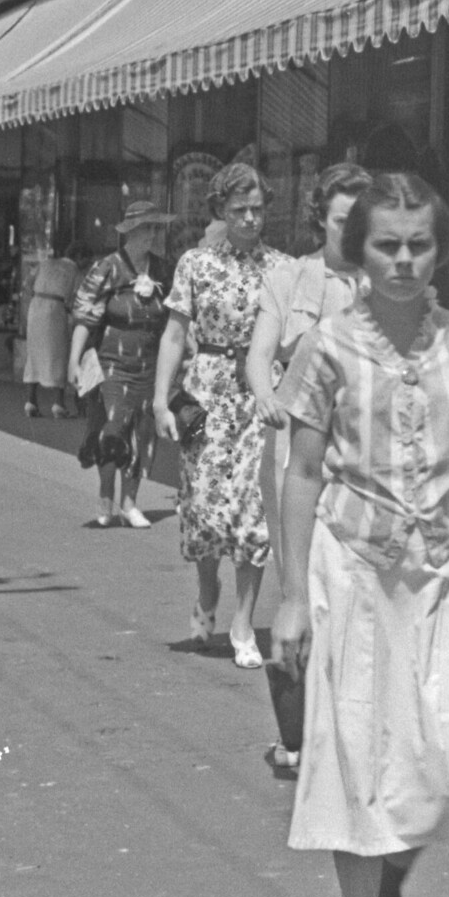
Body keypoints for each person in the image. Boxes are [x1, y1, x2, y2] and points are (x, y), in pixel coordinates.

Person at [269, 171, 449, 897]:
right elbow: (301, 475)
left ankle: (389, 893)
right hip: (353, 572)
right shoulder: (329, 346)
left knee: (441, 765)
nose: (404, 260)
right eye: (387, 244)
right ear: (358, 250)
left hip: (443, 577)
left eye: (419, 243)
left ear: (440, 247)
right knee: (356, 764)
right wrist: (291, 596)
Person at [246, 160, 370, 774]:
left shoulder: (388, 280)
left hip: (366, 454)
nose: (353, 231)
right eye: (343, 219)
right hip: (299, 448)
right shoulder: (291, 277)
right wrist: (264, 394)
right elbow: (262, 353)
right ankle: (296, 736)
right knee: (298, 577)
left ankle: (350, 728)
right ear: (321, 216)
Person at [154, 163, 289, 669]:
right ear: (220, 211)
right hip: (208, 395)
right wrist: (158, 400)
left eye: (258, 209)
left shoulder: (281, 268)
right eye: (240, 211)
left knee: (255, 515)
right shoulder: (195, 264)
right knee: (208, 511)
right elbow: (173, 335)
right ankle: (207, 588)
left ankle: (243, 622)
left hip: (260, 398)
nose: (251, 219)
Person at [68, 202, 174, 530]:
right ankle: (105, 497)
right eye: (148, 229)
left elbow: (176, 319)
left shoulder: (163, 270)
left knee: (142, 433)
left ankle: (130, 503)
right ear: (131, 231)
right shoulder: (108, 267)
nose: (153, 235)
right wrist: (73, 359)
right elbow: (85, 317)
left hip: (149, 363)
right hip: (111, 363)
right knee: (113, 428)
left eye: (157, 228)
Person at [22, 245, 81, 417]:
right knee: (57, 354)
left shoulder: (45, 263)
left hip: (36, 307)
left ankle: (30, 402)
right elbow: (78, 295)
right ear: (79, 256)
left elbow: (28, 283)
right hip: (55, 309)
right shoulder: (73, 268)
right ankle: (58, 404)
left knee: (33, 355)